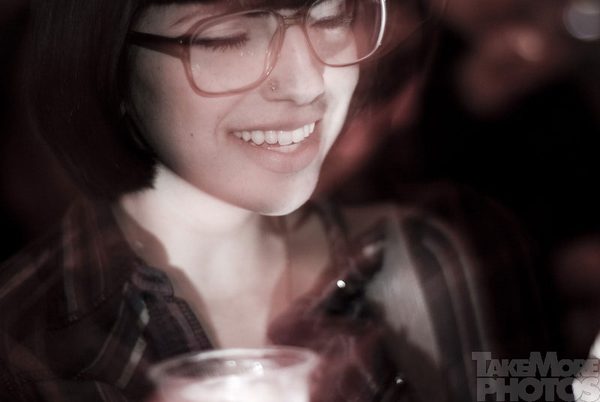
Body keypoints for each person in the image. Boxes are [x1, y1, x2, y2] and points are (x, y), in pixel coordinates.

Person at [0, 0, 537, 401]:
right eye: (228, 37)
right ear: (108, 60)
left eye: (331, 16)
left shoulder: (415, 262)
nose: (307, 85)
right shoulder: (24, 348)